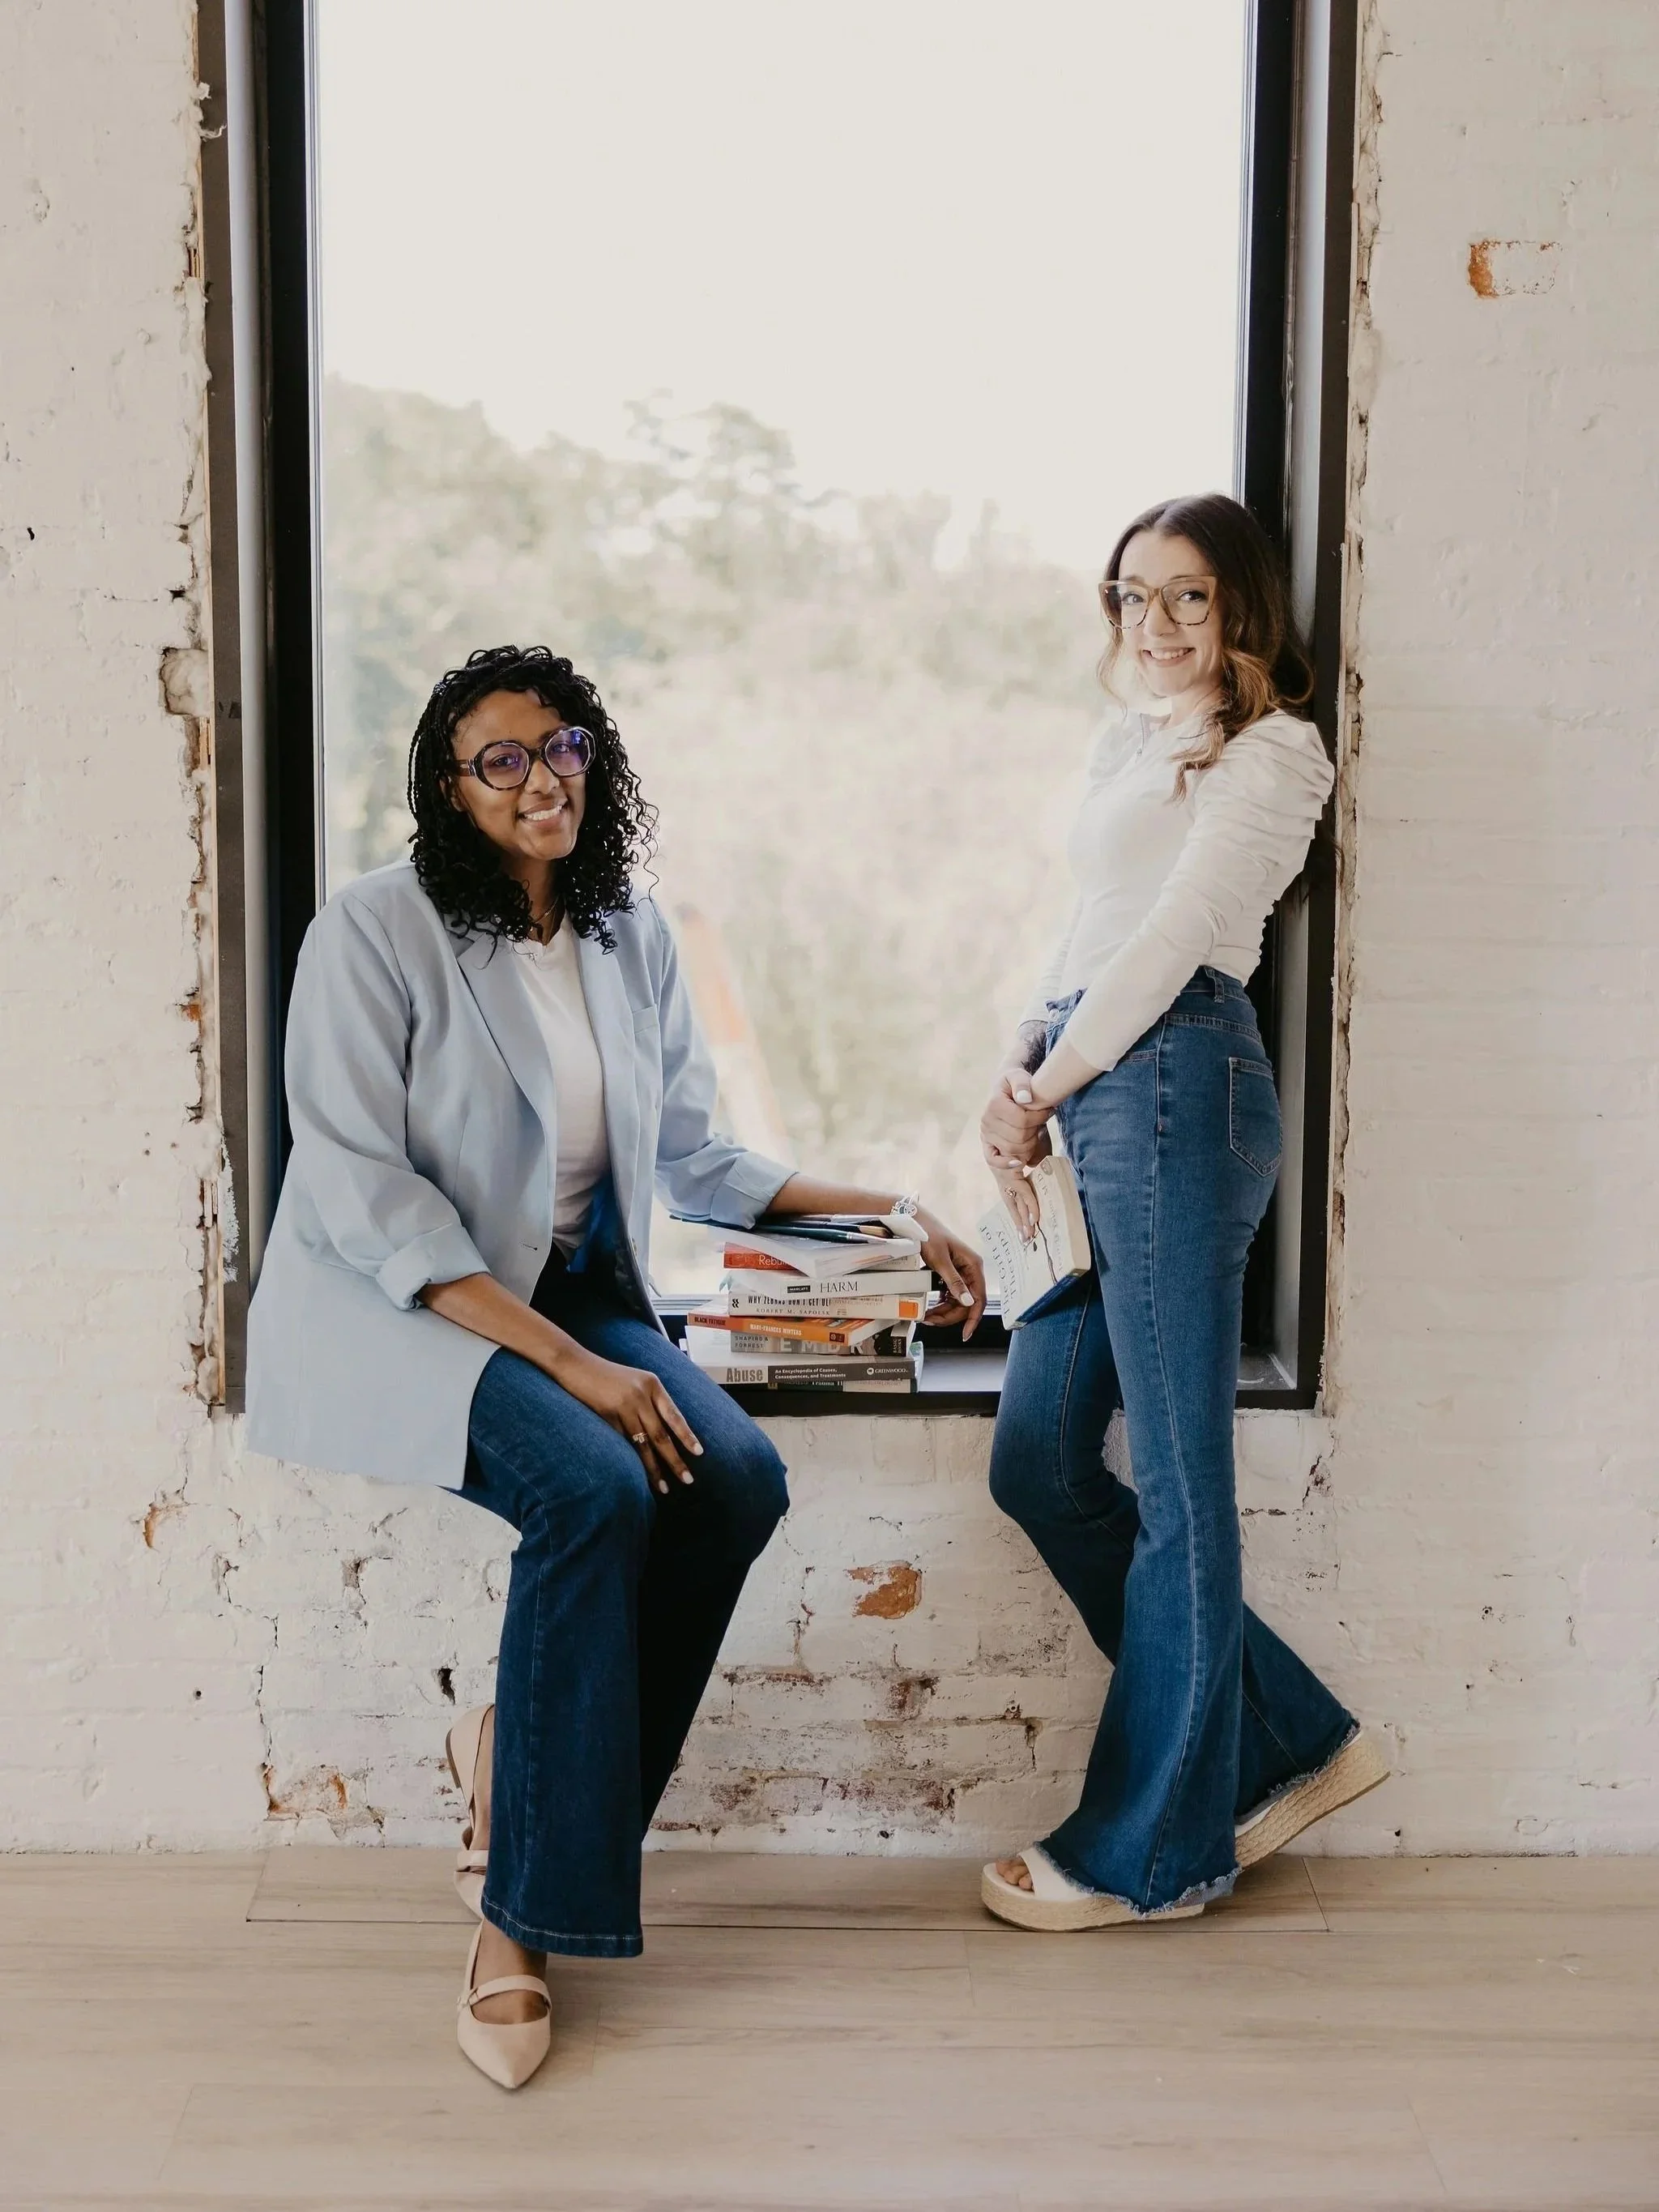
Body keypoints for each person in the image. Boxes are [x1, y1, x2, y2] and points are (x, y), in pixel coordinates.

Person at [247, 644, 986, 2083]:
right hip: (407, 1302)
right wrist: (576, 1371)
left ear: (597, 758)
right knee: (591, 1490)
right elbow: (366, 1194)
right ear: (450, 788)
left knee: (736, 1481)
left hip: (571, 1285)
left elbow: (696, 1156)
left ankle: (513, 1782)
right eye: (502, 759)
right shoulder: (373, 931)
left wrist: (889, 1205)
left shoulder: (627, 930)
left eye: (563, 746)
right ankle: (514, 1925)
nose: (541, 778)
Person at [976, 495, 1386, 1932]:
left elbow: (1174, 938)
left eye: (1187, 596)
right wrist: (1016, 1067)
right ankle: (1292, 1740)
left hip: (1175, 1084)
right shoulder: (1130, 740)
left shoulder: (1275, 753)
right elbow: (1088, 927)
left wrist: (1055, 1081)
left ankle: (1150, 1855)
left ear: (1243, 608)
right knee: (1039, 1458)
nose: (1152, 623)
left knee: (1179, 1478)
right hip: (1093, 1081)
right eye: (1131, 595)